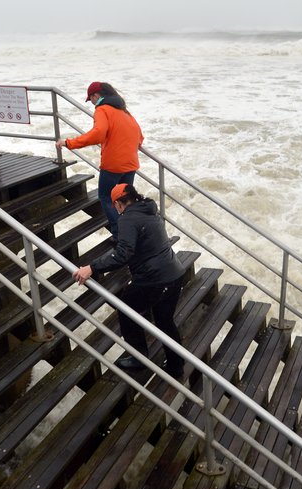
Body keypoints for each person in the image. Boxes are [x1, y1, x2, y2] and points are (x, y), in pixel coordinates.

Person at [73, 183, 186, 377]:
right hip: (174, 273)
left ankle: (139, 357)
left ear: (118, 204)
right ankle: (176, 366)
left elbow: (122, 254)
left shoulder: (127, 219)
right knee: (165, 321)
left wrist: (92, 267)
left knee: (127, 310)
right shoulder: (150, 210)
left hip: (155, 279)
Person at [56, 82, 144, 241]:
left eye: (90, 100)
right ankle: (133, 231)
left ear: (96, 96)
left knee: (106, 197)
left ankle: (120, 236)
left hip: (113, 165)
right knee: (126, 200)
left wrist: (69, 143)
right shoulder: (125, 112)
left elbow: (98, 134)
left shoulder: (102, 110)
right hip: (130, 164)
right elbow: (140, 137)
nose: (91, 103)